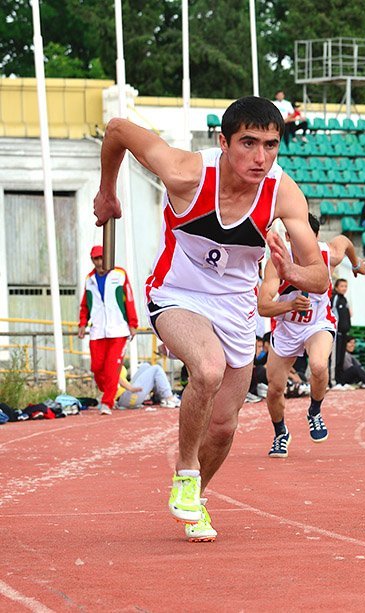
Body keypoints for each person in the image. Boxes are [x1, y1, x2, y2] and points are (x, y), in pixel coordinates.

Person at [94, 97, 330, 542]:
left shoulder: (282, 192)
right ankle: (185, 471)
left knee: (224, 425)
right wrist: (108, 191)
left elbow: (318, 276)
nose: (260, 158)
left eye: (271, 145)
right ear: (223, 142)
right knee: (206, 368)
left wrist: (294, 271)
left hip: (236, 308)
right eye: (248, 143)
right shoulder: (186, 172)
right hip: (178, 294)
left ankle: (194, 498)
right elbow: (118, 129)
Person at [259, 214, 365, 458]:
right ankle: (280, 433)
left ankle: (315, 411)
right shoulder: (276, 262)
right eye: (297, 238)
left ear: (316, 237)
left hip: (317, 324)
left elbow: (345, 241)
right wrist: (289, 306)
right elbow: (263, 307)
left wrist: (354, 265)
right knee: (275, 388)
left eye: (307, 238)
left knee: (319, 366)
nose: (302, 244)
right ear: (288, 237)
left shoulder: (326, 253)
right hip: (286, 328)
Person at [77, 245, 138, 416]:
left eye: (102, 258)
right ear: (92, 260)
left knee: (112, 367)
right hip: (97, 331)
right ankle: (111, 389)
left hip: (118, 330)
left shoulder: (120, 274)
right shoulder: (89, 279)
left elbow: (129, 299)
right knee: (96, 367)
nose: (99, 262)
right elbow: (85, 305)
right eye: (96, 259)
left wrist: (133, 323)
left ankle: (107, 402)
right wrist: (82, 324)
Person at [116, 362, 181, 409]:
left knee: (145, 365)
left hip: (125, 394)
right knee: (157, 369)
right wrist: (130, 388)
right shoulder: (108, 361)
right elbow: (114, 376)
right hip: (124, 399)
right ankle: (169, 398)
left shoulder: (116, 358)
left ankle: (160, 398)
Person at [331, 278, 351, 385]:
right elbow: (332, 312)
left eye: (345, 286)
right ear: (336, 287)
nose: (344, 288)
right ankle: (332, 380)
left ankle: (340, 380)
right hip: (337, 333)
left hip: (344, 333)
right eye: (342, 286)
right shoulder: (335, 298)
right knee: (336, 358)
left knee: (341, 358)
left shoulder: (344, 299)